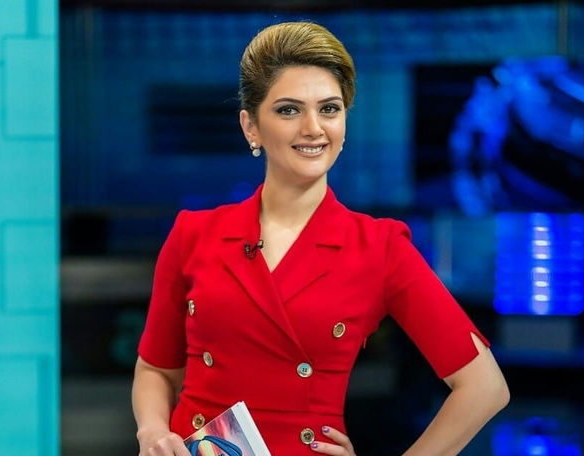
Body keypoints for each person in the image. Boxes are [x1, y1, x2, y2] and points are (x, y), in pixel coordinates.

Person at [132, 21, 510, 456]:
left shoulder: (379, 246)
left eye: (329, 109)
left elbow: (484, 387)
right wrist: (152, 431)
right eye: (289, 110)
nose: (313, 128)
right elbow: (156, 369)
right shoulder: (194, 234)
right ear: (251, 126)